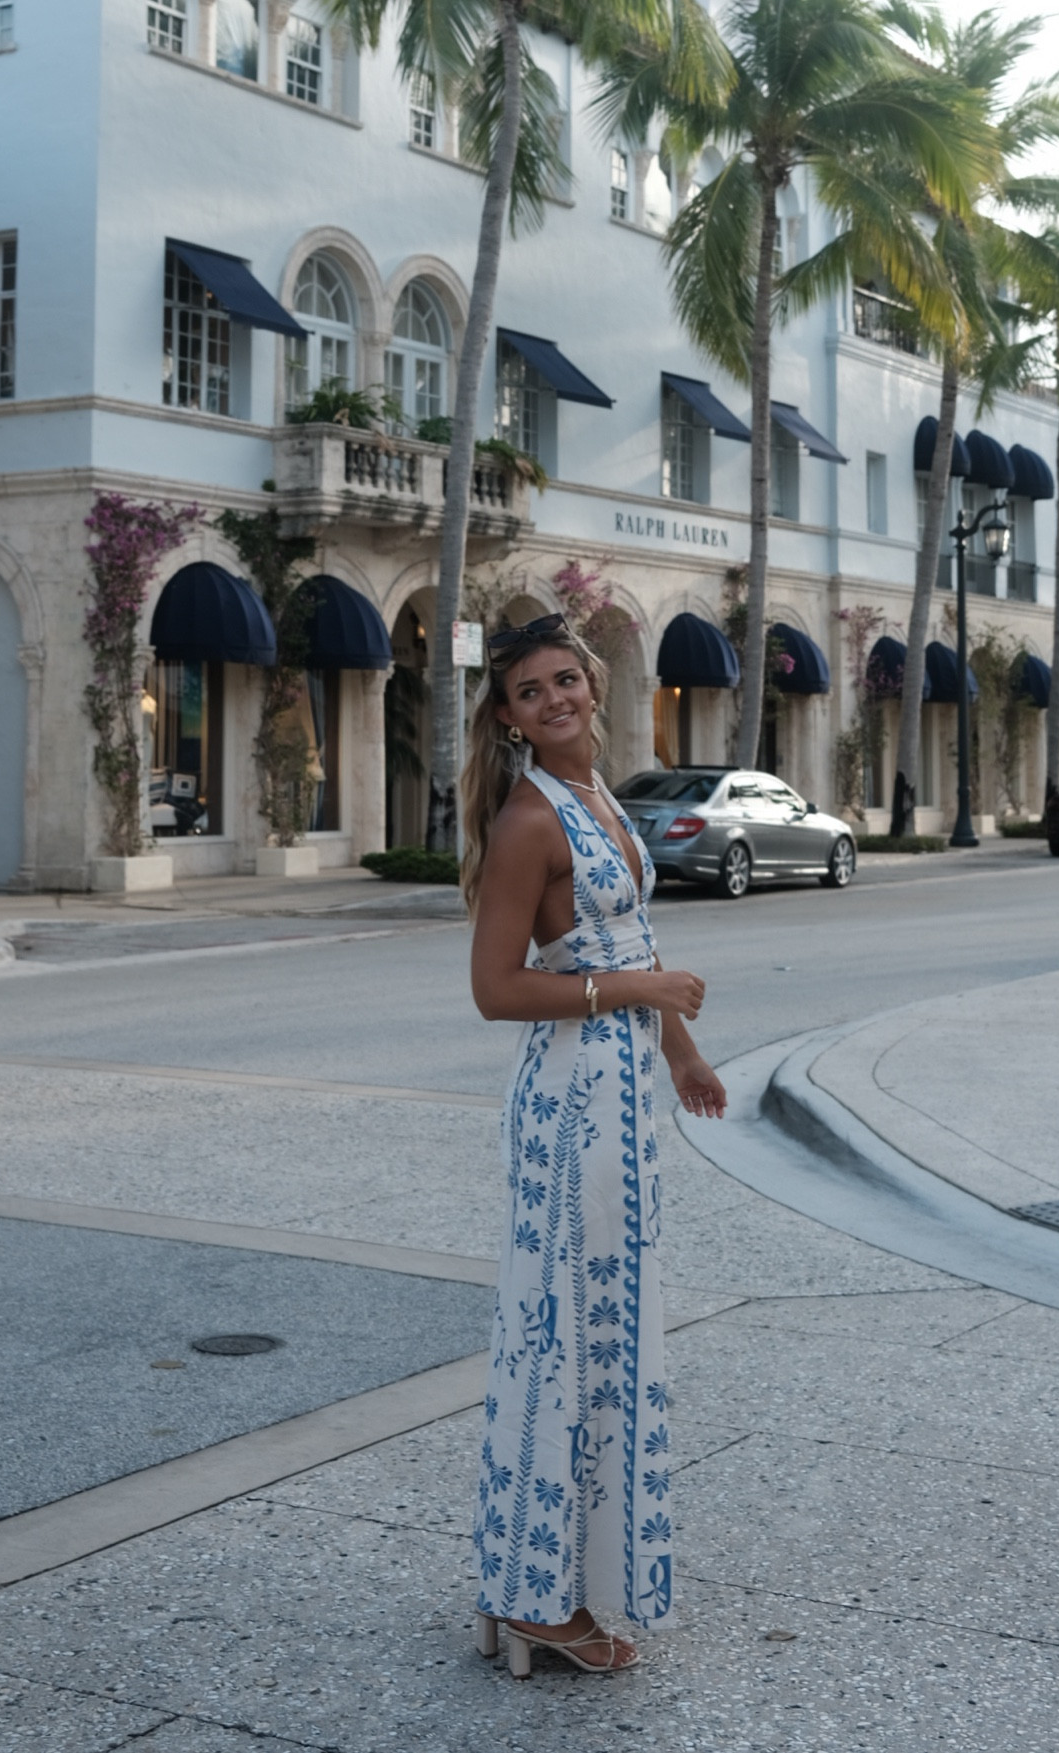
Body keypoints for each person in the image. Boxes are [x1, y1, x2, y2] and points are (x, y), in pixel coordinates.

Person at [462, 611, 727, 1679]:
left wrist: (680, 1053)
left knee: (603, 1335)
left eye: (566, 679)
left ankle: (555, 1582)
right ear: (509, 717)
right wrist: (643, 994)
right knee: (563, 1338)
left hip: (622, 1100)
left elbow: (628, 939)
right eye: (532, 691)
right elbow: (494, 991)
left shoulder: (598, 797)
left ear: (594, 684)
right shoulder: (529, 821)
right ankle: (534, 1598)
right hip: (569, 1105)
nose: (556, 699)